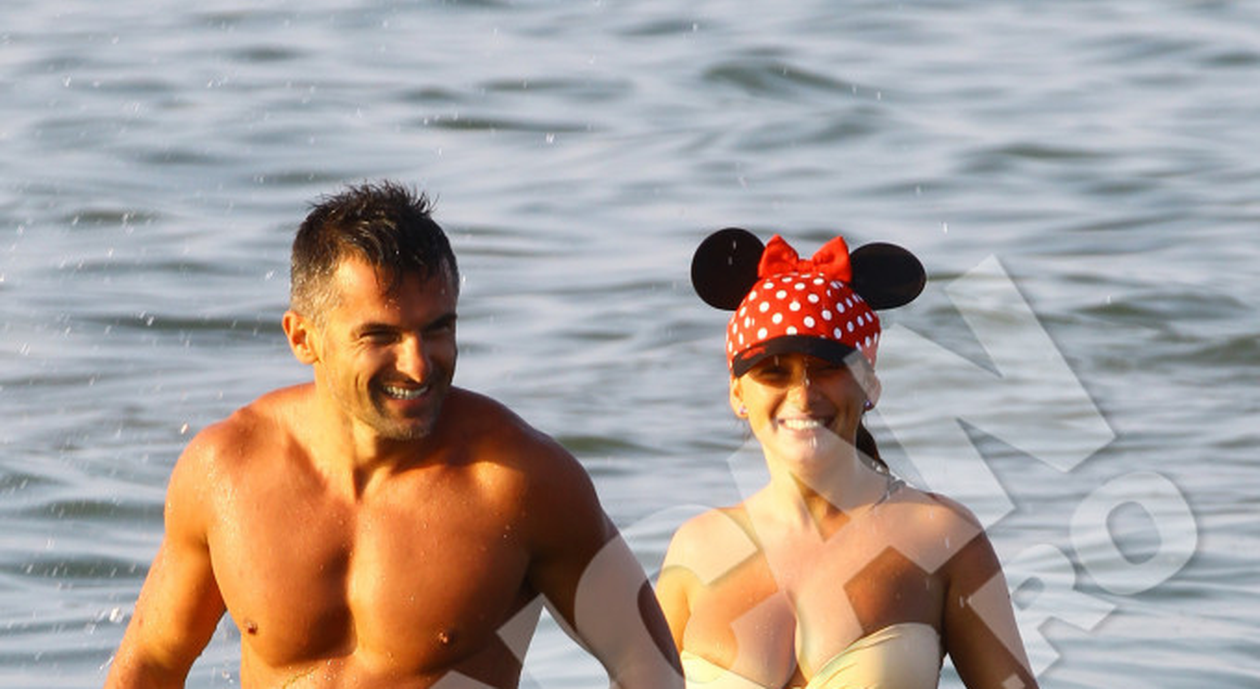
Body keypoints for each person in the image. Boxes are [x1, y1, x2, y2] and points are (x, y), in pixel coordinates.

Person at [105, 181, 682, 689]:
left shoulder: (518, 482)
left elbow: (647, 663)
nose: (418, 364)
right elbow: (152, 664)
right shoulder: (225, 472)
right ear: (303, 338)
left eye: (438, 329)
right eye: (380, 336)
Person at [655, 229, 1039, 689]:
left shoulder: (943, 536)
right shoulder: (696, 548)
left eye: (827, 369)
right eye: (774, 373)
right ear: (738, 393)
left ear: (869, 385)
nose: (803, 395)